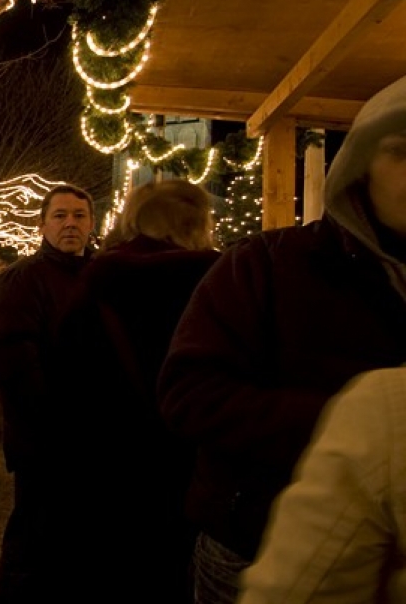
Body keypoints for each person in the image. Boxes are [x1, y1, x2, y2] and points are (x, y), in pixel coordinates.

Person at [158, 74, 406, 604]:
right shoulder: (266, 264)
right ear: (361, 163)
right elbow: (189, 392)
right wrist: (358, 427)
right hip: (259, 545)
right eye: (401, 151)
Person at [40, 179, 220, 602]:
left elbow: (64, 377)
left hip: (109, 467)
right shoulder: (222, 283)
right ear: (199, 223)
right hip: (194, 466)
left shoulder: (100, 281)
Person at [0, 183, 95, 603]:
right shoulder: (23, 279)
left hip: (87, 437)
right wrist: (52, 420)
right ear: (43, 224)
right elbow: (12, 360)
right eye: (60, 215)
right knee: (33, 542)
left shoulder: (100, 275)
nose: (70, 223)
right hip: (43, 439)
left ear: (92, 223)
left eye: (79, 215)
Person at [237, 367, 406, 604]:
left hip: (305, 530)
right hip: (243, 517)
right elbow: (196, 391)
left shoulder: (385, 405)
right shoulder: (384, 406)